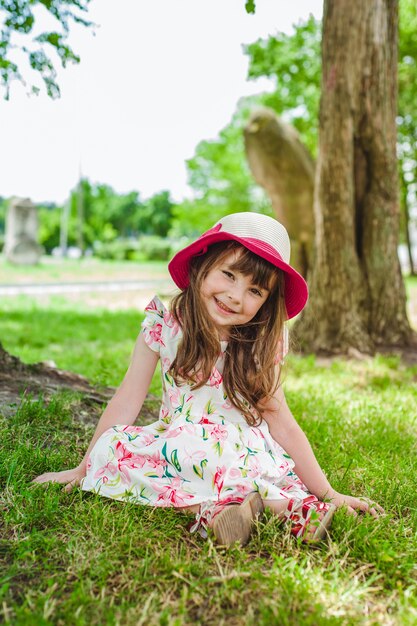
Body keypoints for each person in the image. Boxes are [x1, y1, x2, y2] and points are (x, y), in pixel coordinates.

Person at [33, 212, 383, 546]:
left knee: (213, 470)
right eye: (229, 275)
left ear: (267, 302)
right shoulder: (166, 324)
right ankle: (256, 510)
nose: (235, 296)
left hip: (235, 451)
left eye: (255, 291)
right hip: (185, 448)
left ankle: (241, 509)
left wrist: (331, 492)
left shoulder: (263, 342)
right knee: (113, 448)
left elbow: (281, 420)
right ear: (202, 265)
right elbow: (128, 397)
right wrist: (84, 466)